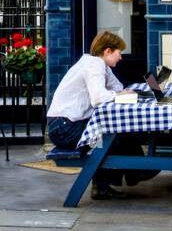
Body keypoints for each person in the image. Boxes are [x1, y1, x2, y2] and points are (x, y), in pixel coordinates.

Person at [46, 30, 149, 200]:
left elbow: (117, 87)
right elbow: (99, 98)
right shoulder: (94, 65)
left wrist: (122, 92)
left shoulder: (100, 65)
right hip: (64, 129)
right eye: (119, 53)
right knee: (112, 135)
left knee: (111, 135)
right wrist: (120, 95)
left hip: (65, 125)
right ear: (107, 51)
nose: (121, 57)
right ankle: (135, 172)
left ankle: (107, 184)